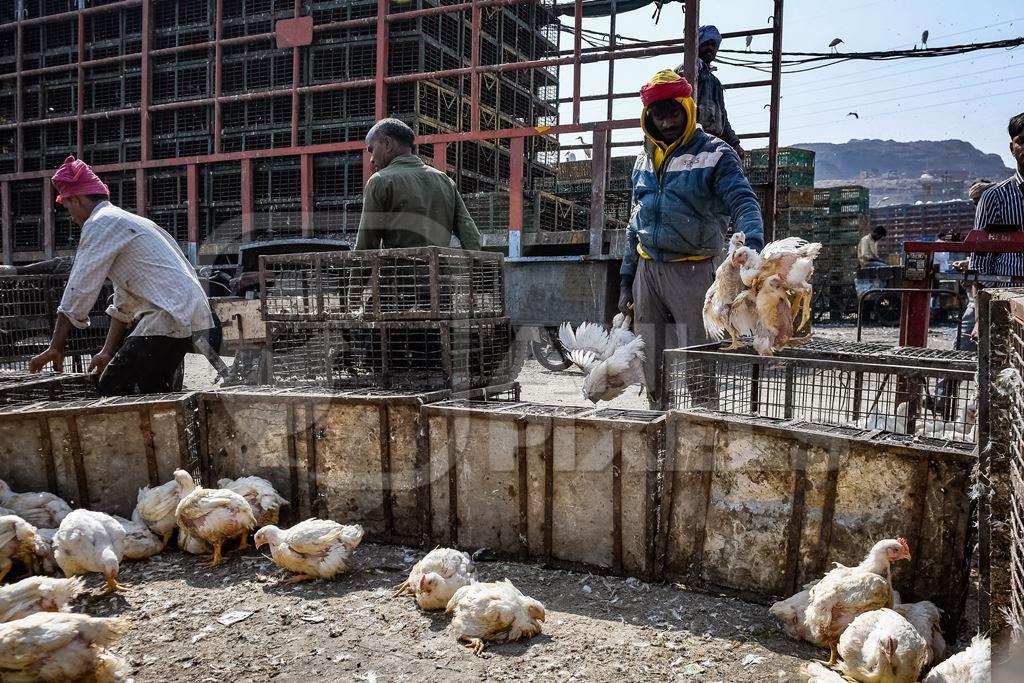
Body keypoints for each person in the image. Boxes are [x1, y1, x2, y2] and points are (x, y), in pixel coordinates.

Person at [619, 69, 764, 408]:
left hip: (694, 271)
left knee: (698, 360)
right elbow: (634, 221)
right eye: (658, 114)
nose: (666, 122)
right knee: (649, 358)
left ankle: (703, 427)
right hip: (648, 270)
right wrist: (627, 278)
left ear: (687, 109)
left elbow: (743, 200)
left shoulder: (715, 154)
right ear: (647, 116)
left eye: (673, 113)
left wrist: (752, 245)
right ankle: (656, 421)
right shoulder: (643, 159)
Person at [28, 156, 214, 396]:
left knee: (113, 387)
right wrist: (106, 351)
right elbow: (123, 302)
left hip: (168, 317)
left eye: (68, 208)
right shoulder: (129, 221)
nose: (71, 217)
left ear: (78, 199)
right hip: (190, 315)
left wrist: (55, 346)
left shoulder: (99, 224)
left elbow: (79, 287)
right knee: (153, 391)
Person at [355, 118, 482, 251]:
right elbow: (470, 236)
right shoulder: (445, 181)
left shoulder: (380, 181)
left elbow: (366, 245)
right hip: (439, 270)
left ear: (387, 143)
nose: (371, 159)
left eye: (372, 149)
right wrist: (480, 268)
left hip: (398, 270)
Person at [954, 112, 1024, 350]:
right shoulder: (995, 197)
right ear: (1012, 148)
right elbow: (980, 260)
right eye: (1022, 140)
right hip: (1004, 296)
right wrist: (982, 312)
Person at [675, 25, 743, 157]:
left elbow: (723, 116)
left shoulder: (714, 82)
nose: (711, 48)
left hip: (711, 143)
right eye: (706, 43)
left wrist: (735, 144)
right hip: (691, 142)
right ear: (697, 44)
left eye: (714, 45)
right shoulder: (686, 72)